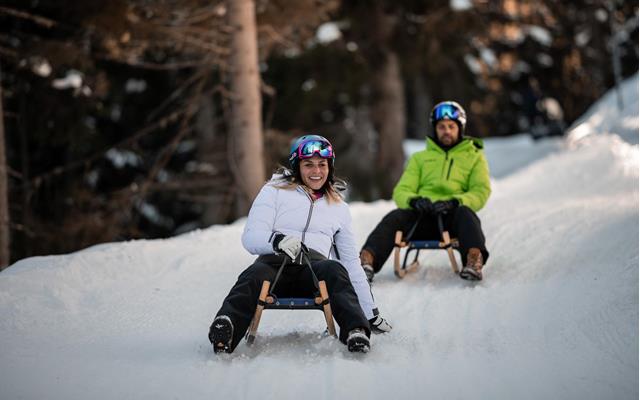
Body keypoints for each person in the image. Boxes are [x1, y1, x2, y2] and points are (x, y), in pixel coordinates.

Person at [209, 135, 392, 354]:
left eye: (322, 165)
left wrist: (369, 312)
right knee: (253, 274)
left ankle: (356, 331)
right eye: (308, 165)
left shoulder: (338, 208)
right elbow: (251, 236)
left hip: (314, 271)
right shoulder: (274, 192)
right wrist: (276, 241)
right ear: (296, 166)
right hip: (274, 265)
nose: (316, 171)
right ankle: (226, 327)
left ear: (330, 167)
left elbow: (351, 263)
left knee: (336, 269)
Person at [360, 101, 491, 282]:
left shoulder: (474, 157)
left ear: (460, 128)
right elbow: (401, 190)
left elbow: (480, 191)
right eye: (441, 126)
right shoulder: (419, 158)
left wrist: (455, 202)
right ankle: (366, 262)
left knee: (466, 214)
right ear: (435, 129)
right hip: (422, 217)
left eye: (451, 126)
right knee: (395, 216)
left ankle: (474, 260)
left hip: (452, 219)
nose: (446, 131)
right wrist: (414, 201)